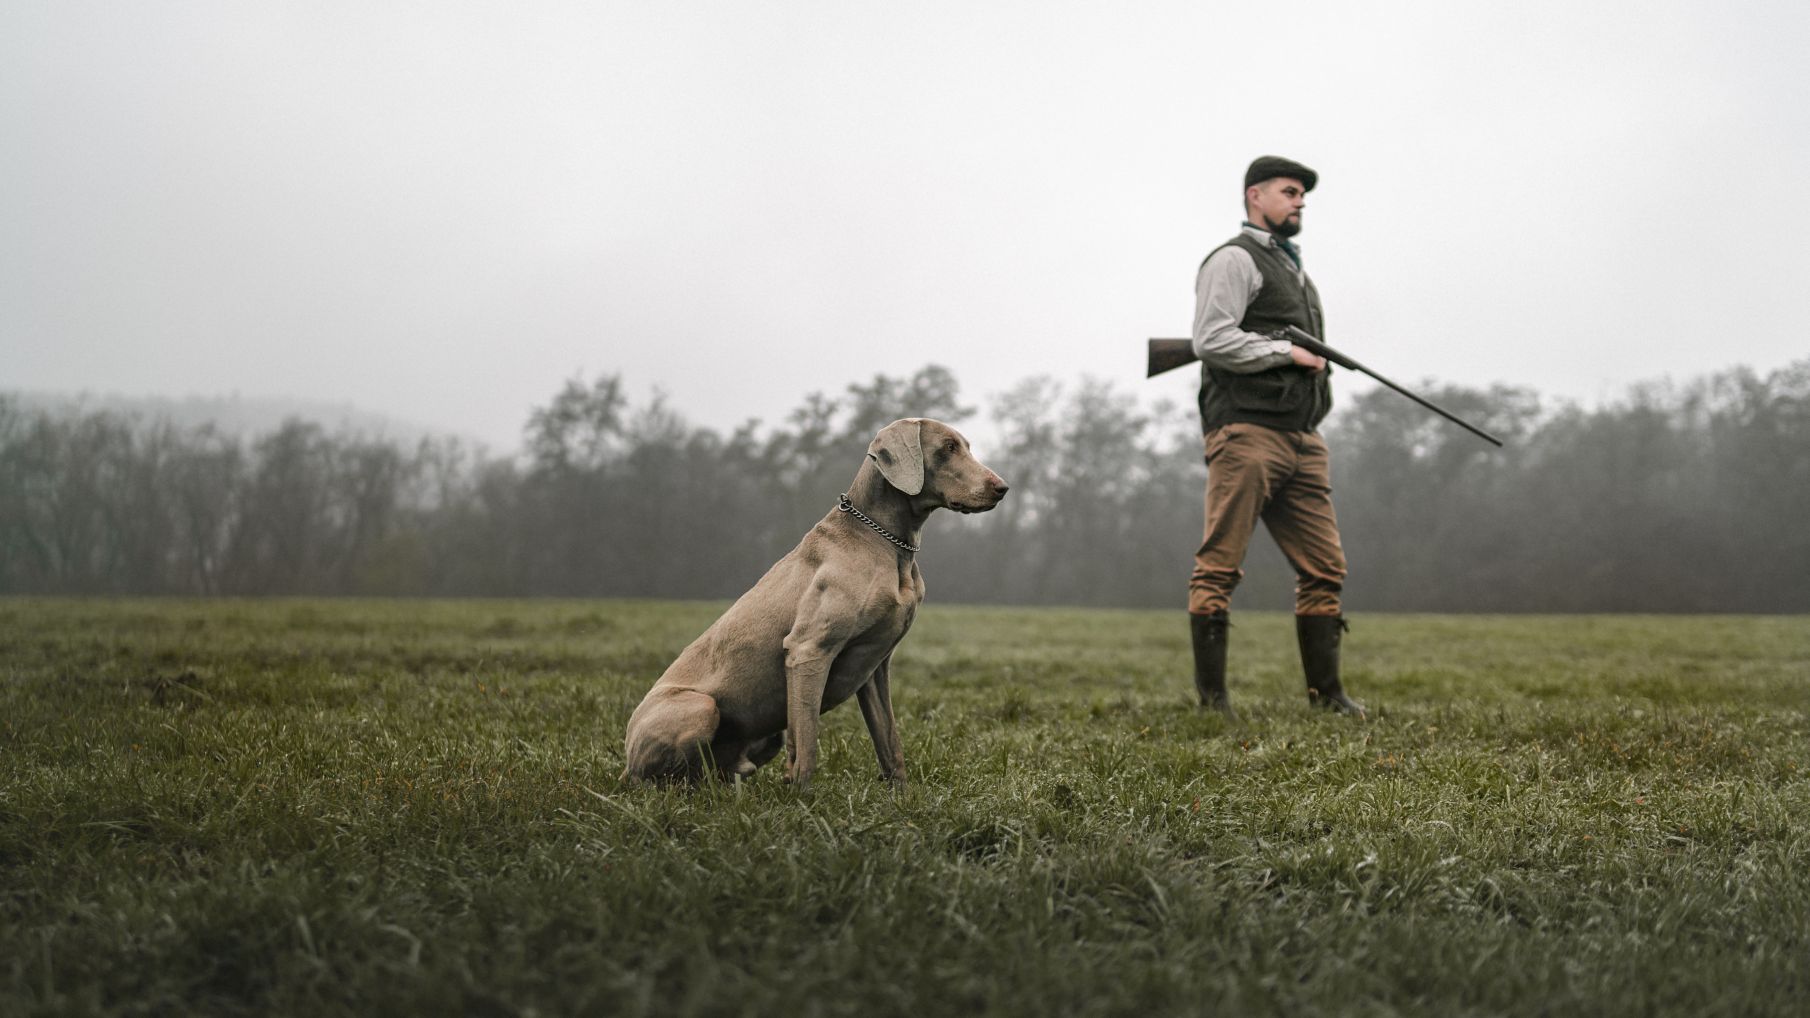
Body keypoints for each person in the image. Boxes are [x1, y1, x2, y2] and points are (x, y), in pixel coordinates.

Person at [1187, 155, 1364, 719]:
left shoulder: (1297, 272)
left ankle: (1328, 697)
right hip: (1246, 433)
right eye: (1290, 191)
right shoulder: (1234, 259)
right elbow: (1211, 339)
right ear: (1254, 196)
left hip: (1303, 439)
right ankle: (1213, 704)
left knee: (1325, 567)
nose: (1300, 201)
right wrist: (1285, 351)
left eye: (1302, 195)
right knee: (1220, 566)